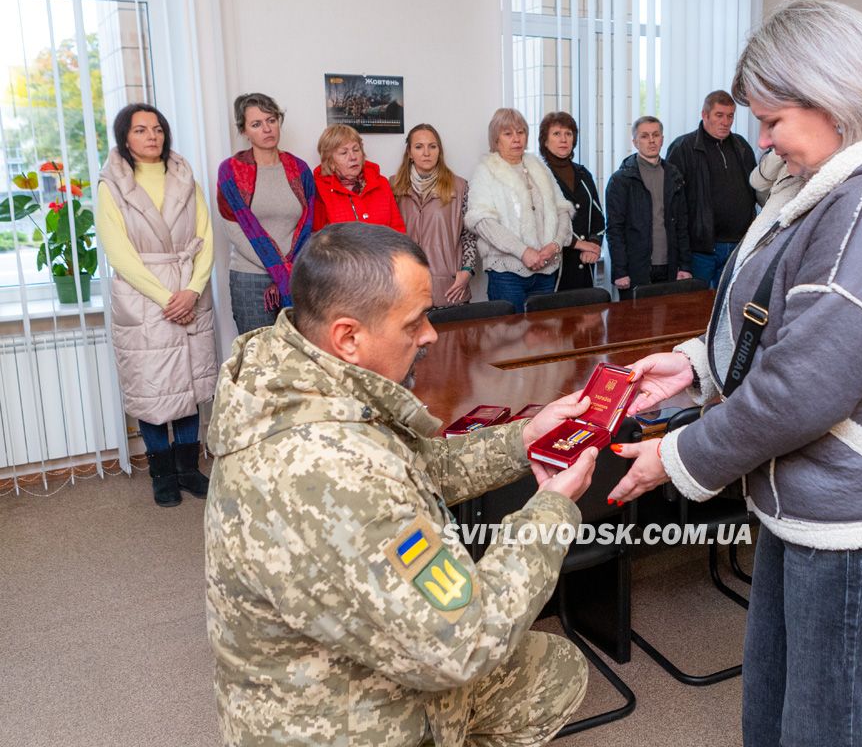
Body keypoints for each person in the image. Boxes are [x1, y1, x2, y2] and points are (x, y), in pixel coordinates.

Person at [606, 0, 862, 747]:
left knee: (827, 724)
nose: (764, 142)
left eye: (773, 121)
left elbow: (806, 383)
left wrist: (675, 456)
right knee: (774, 701)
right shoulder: (830, 183)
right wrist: (693, 367)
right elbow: (768, 313)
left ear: (836, 97)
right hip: (806, 494)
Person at [204, 223, 596, 746]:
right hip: (333, 720)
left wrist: (523, 438)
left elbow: (414, 467)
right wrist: (550, 510)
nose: (431, 334)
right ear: (348, 337)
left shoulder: (298, 378)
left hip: (332, 667)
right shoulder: (330, 471)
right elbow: (465, 640)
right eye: (415, 322)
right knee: (539, 668)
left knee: (551, 665)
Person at [96, 103, 217, 507]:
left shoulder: (185, 177)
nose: (152, 136)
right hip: (144, 296)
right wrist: (168, 298)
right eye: (141, 130)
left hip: (190, 289)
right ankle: (162, 473)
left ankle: (188, 467)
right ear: (124, 138)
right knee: (151, 390)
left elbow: (206, 236)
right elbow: (120, 253)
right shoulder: (111, 186)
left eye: (158, 129)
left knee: (189, 383)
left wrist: (194, 290)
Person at [217, 92, 315, 334]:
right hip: (250, 278)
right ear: (244, 131)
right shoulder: (231, 171)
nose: (267, 129)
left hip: (295, 277)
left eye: (271, 120)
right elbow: (233, 228)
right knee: (258, 360)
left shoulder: (299, 169)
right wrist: (277, 268)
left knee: (297, 356)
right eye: (256, 124)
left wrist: (289, 269)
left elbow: (308, 224)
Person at [465, 108, 574, 312]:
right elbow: (483, 222)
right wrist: (523, 252)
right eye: (508, 134)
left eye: (521, 132)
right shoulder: (485, 170)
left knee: (545, 336)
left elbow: (562, 209)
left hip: (546, 269)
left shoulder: (538, 166)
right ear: (496, 140)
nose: (516, 139)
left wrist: (555, 245)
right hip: (507, 275)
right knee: (510, 338)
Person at [666, 89, 758, 287]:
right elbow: (672, 205)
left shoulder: (741, 146)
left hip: (739, 246)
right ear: (704, 115)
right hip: (701, 250)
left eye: (730, 116)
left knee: (729, 308)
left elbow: (755, 188)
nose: (725, 122)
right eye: (719, 115)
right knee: (698, 310)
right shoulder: (683, 147)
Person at [605, 116, 692, 300]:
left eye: (656, 135)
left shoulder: (674, 176)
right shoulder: (621, 180)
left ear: (662, 139)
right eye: (644, 136)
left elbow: (682, 225)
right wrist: (620, 271)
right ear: (635, 142)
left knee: (668, 322)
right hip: (636, 268)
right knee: (636, 325)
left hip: (669, 266)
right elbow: (614, 229)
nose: (651, 140)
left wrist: (685, 265)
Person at [390, 123, 476, 307]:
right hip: (407, 289)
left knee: (456, 337)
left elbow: (469, 235)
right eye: (419, 147)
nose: (426, 153)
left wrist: (467, 271)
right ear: (410, 153)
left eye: (432, 146)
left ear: (439, 151)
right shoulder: (392, 187)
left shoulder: (460, 187)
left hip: (450, 288)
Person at [538, 112, 605, 290]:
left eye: (568, 134)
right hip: (554, 267)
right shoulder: (539, 176)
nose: (563, 139)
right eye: (557, 134)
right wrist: (580, 244)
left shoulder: (583, 174)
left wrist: (594, 244)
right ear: (545, 141)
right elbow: (541, 223)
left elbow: (598, 217)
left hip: (585, 266)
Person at [312, 124, 406, 233]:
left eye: (356, 149)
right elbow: (318, 239)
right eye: (344, 152)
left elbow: (397, 229)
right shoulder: (319, 190)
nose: (353, 157)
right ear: (330, 161)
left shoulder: (381, 182)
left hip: (384, 250)